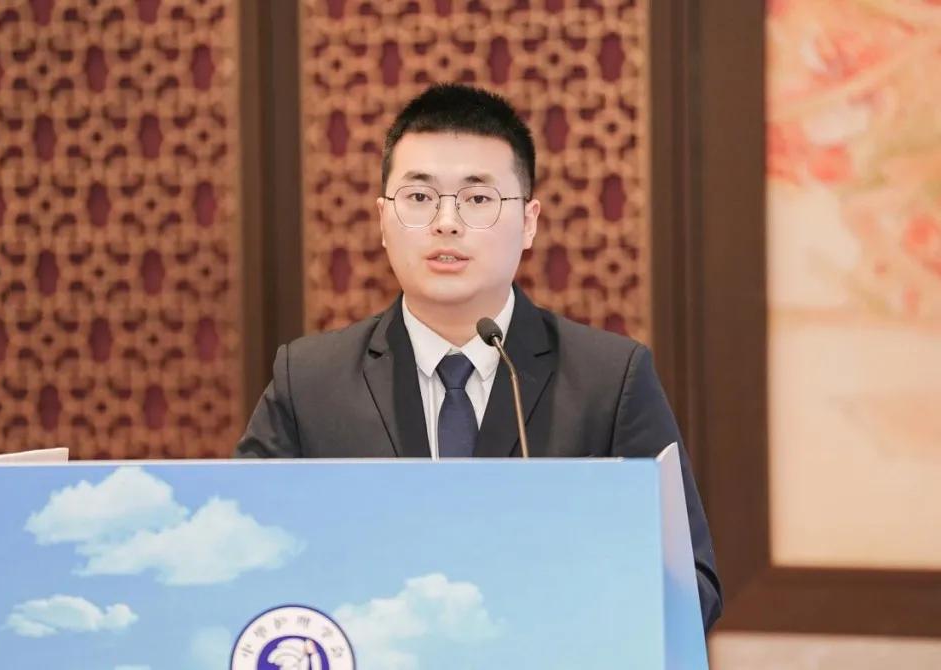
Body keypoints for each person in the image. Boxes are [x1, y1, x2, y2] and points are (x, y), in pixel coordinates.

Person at [235, 83, 722, 630]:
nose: (446, 222)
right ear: (381, 220)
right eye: (419, 197)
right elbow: (241, 563)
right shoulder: (308, 382)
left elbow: (692, 588)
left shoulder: (610, 380)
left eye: (478, 199)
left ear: (530, 221)